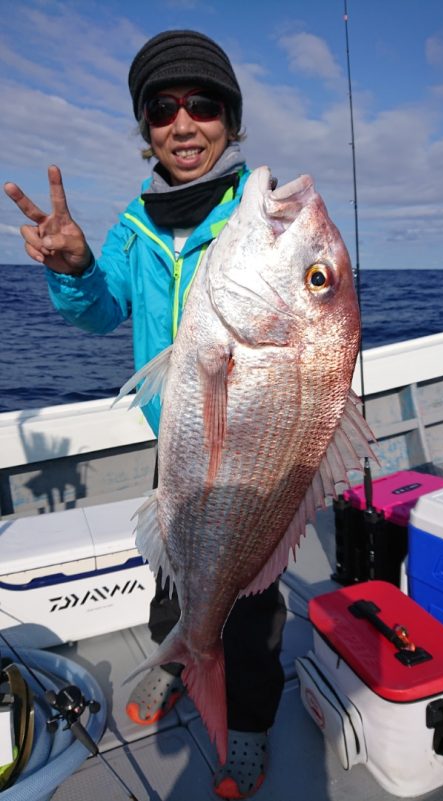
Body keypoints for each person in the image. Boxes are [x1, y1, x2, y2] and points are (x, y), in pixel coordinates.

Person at [4, 30, 287, 799]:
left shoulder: (261, 216)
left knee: (253, 602)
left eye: (204, 104)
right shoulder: (135, 222)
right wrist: (76, 271)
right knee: (170, 577)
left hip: (249, 453)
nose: (183, 123)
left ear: (231, 118)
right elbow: (102, 313)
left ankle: (249, 720)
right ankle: (181, 655)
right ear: (146, 127)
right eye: (162, 108)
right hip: (177, 445)